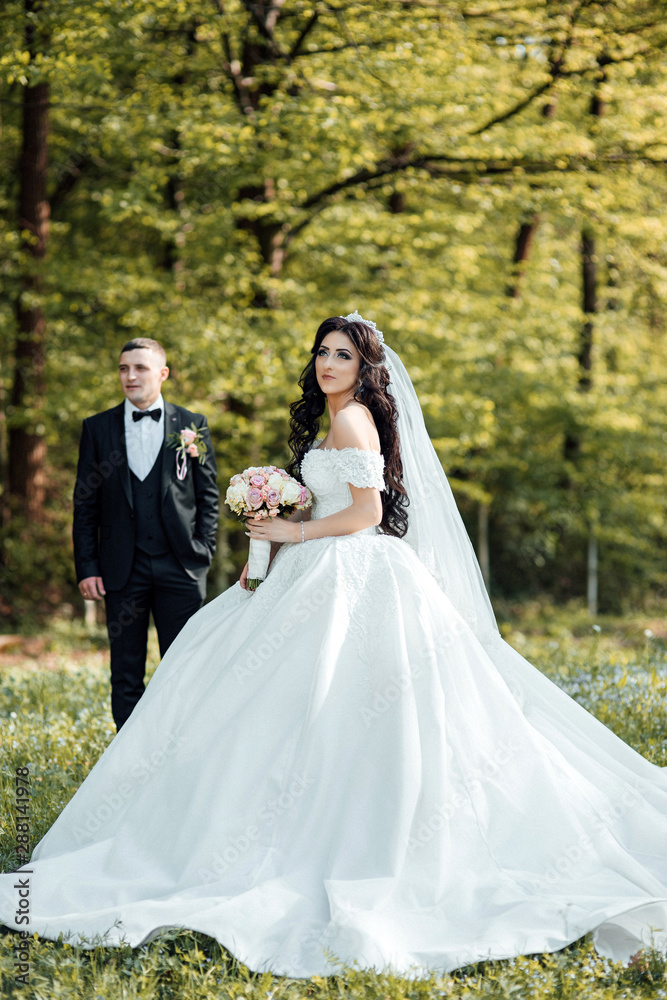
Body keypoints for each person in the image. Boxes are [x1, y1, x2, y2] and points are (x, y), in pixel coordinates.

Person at [1, 314, 667, 978]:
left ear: (363, 367)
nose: (327, 364)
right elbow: (331, 503)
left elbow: (367, 515)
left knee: (322, 699)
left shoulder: (351, 422)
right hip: (319, 565)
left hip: (352, 577)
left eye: (342, 355)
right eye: (322, 352)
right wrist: (279, 520)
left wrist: (292, 536)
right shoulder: (337, 420)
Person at [72, 337, 219, 730]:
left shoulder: (192, 425)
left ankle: (179, 752)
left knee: (183, 668)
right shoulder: (97, 428)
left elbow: (208, 496)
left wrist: (203, 551)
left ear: (163, 374)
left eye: (140, 368)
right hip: (121, 569)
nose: (130, 376)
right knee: (125, 671)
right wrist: (87, 566)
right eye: (123, 368)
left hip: (181, 566)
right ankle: (126, 767)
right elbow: (85, 503)